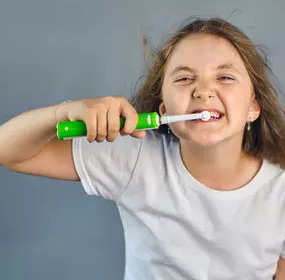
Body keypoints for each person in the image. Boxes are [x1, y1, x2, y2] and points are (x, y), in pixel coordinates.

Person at [0, 17, 285, 280]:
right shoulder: (135, 157)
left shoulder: (280, 189)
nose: (203, 90)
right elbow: (7, 150)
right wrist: (63, 113)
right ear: (164, 109)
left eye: (224, 77)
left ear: (253, 107)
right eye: (185, 78)